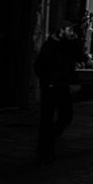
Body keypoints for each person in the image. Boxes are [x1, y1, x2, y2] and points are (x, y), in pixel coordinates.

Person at [34, 22, 83, 161]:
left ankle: (49, 140)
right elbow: (39, 66)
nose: (71, 32)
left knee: (66, 115)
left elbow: (79, 56)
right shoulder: (50, 45)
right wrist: (47, 82)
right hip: (50, 86)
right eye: (69, 30)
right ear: (61, 30)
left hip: (62, 85)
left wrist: (75, 41)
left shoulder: (68, 44)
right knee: (47, 118)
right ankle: (45, 149)